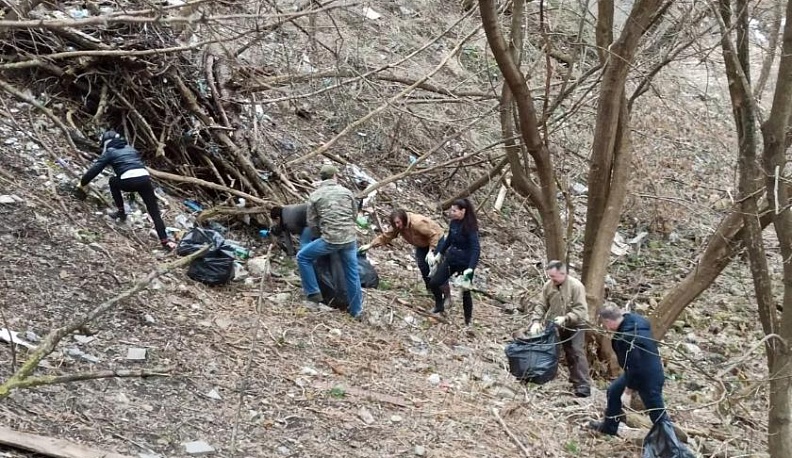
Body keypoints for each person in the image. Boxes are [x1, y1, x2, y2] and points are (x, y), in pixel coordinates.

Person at [77, 130, 175, 251]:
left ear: (107, 142)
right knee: (154, 212)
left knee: (113, 181)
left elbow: (95, 170)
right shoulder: (131, 149)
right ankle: (165, 241)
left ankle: (121, 212)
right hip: (145, 179)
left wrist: (82, 183)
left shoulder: (109, 152)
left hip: (128, 181)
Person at [296, 164, 363, 319]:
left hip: (330, 240)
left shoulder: (315, 196)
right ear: (335, 177)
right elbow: (354, 215)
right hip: (350, 239)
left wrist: (321, 234)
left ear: (321, 178)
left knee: (302, 257)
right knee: (352, 274)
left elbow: (312, 223)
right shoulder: (347, 192)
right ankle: (356, 311)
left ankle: (313, 293)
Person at [588, 304, 667, 436]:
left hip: (648, 376)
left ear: (609, 322)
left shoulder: (626, 338)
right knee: (613, 392)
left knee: (656, 411)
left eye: (605, 324)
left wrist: (628, 391)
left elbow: (635, 366)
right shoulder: (634, 320)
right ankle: (609, 428)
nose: (606, 328)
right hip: (639, 370)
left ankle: (671, 444)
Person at [359, 209, 450, 307]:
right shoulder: (398, 227)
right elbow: (386, 237)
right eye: (395, 223)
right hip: (422, 243)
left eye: (398, 222)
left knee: (436, 267)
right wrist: (370, 245)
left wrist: (431, 250)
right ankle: (432, 290)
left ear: (403, 219)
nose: (397, 225)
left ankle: (447, 296)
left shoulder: (417, 223)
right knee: (423, 266)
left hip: (436, 240)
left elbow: (434, 234)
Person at [528, 260, 591, 397]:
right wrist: (536, 321)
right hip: (556, 323)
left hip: (576, 324)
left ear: (563, 273)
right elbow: (541, 305)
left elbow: (581, 310)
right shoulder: (548, 286)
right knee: (556, 351)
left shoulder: (576, 286)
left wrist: (567, 317)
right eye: (550, 276)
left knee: (576, 352)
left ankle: (583, 385)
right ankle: (545, 377)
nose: (551, 280)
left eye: (554, 277)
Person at [426, 198, 480, 326]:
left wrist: (471, 268)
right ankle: (439, 305)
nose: (452, 213)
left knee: (465, 292)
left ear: (463, 211)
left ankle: (468, 320)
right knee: (434, 282)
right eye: (451, 210)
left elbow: (476, 249)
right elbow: (449, 239)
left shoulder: (471, 228)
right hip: (451, 259)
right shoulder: (453, 223)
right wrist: (439, 253)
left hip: (465, 263)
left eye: (455, 211)